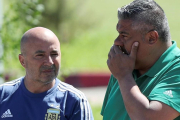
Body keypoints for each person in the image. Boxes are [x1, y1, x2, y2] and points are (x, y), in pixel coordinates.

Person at [101, 0, 180, 120]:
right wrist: (123, 75)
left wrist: (124, 76)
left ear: (151, 38)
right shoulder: (124, 66)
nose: (117, 42)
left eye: (124, 35)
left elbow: (148, 118)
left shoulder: (176, 68)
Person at [0, 27, 94, 120]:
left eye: (54, 54)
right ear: (22, 61)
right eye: (40, 55)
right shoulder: (2, 95)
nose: (49, 62)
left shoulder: (74, 101)